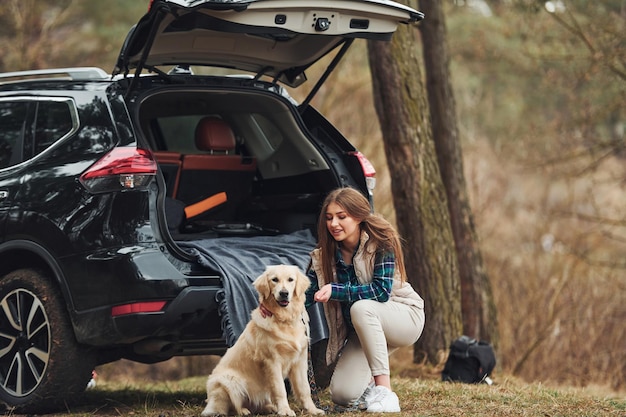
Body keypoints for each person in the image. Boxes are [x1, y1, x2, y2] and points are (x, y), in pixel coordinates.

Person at [305, 187, 425, 413]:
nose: (334, 224)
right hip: (364, 329)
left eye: (342, 217)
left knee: (361, 309)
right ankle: (369, 388)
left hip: (405, 317)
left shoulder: (381, 242)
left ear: (359, 216)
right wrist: (275, 307)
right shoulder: (324, 257)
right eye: (329, 218)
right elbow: (307, 293)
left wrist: (336, 290)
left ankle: (384, 392)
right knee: (342, 394)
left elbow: (380, 292)